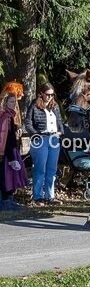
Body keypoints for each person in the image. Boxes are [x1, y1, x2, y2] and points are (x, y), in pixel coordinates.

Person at [24, 83, 64, 205]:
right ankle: (37, 197)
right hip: (40, 139)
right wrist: (36, 134)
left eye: (52, 95)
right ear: (41, 93)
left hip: (54, 139)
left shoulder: (55, 106)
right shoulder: (34, 106)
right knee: (40, 168)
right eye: (47, 94)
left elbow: (60, 122)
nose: (50, 97)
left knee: (52, 169)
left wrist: (60, 132)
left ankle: (50, 196)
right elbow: (28, 122)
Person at [0, 82, 27, 210]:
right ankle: (6, 200)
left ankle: (9, 199)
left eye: (14, 102)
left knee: (12, 174)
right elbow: (4, 135)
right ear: (5, 102)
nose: (14, 105)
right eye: (11, 102)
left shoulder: (10, 116)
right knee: (8, 175)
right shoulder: (6, 116)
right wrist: (10, 154)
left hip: (11, 148)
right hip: (7, 149)